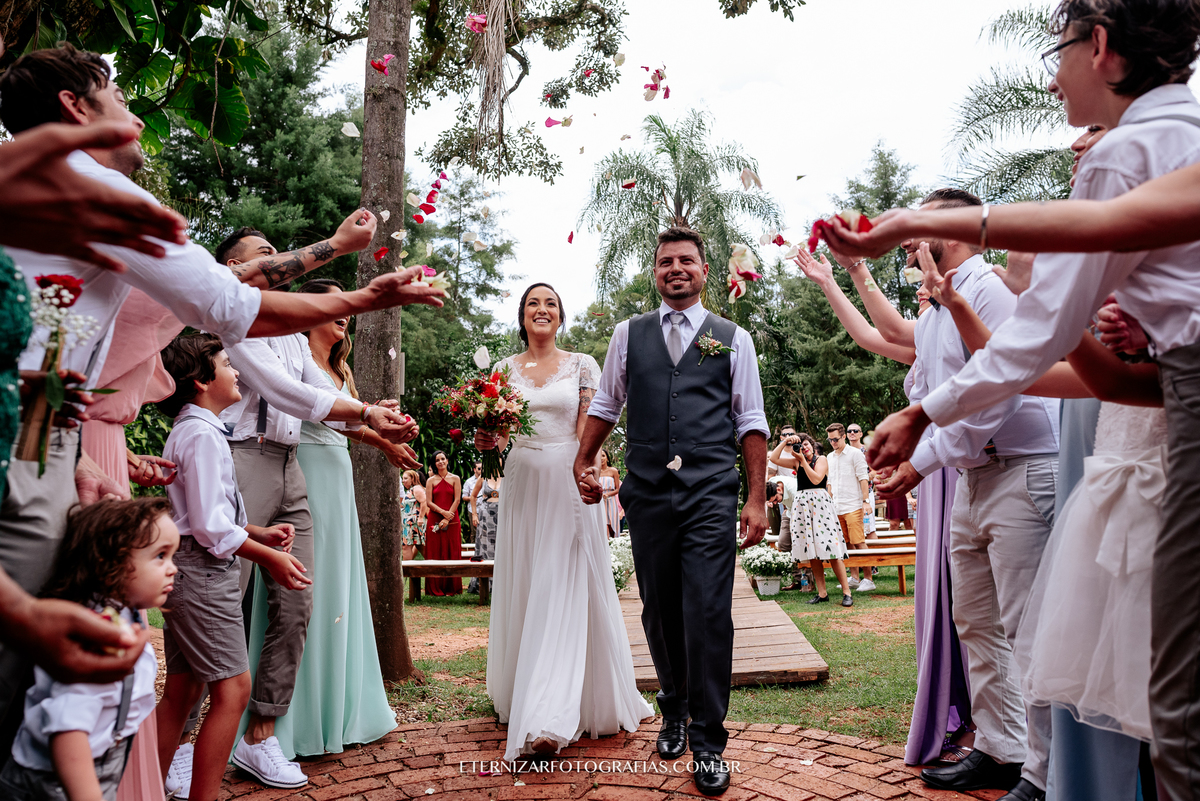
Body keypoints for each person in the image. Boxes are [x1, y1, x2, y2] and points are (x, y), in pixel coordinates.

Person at [0, 44, 444, 744]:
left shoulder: (36, 197)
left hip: (53, 444)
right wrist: (361, 293)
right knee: (34, 683)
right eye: (118, 95)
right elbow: (227, 301)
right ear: (74, 107)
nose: (137, 120)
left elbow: (212, 297)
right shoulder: (90, 185)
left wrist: (75, 457)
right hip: (24, 449)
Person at [850, 5, 1200, 795]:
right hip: (1154, 406)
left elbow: (1036, 332)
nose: (1050, 76)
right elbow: (1096, 370)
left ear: (1101, 46)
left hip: (1152, 442)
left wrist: (921, 416)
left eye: (1059, 51)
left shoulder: (1127, 150)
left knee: (1178, 708)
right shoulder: (1185, 135)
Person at [206, 231, 416, 791]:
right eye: (264, 253)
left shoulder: (295, 338)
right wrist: (366, 410)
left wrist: (376, 420)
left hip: (292, 464)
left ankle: (261, 737)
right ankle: (184, 743)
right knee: (225, 595)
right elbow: (282, 392)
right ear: (233, 266)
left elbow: (316, 400)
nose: (277, 260)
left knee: (298, 598)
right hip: (244, 457)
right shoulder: (234, 319)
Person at [575, 227, 769, 797]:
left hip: (710, 492)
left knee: (708, 611)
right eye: (666, 262)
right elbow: (608, 402)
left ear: (705, 271)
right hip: (649, 492)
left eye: (686, 260)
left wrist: (754, 499)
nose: (676, 269)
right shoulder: (627, 335)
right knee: (659, 611)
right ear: (654, 272)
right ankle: (674, 705)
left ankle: (709, 742)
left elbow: (750, 421)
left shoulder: (734, 338)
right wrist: (583, 459)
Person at [793, 246, 970, 767]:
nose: (918, 287)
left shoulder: (963, 320)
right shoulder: (929, 336)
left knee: (968, 595)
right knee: (944, 593)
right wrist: (832, 280)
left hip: (956, 464)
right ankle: (960, 708)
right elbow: (872, 335)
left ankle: (986, 715)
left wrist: (852, 271)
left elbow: (884, 329)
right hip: (931, 475)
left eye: (923, 278)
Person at [477, 281, 652, 762]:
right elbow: (491, 435)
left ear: (561, 316)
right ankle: (524, 689)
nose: (542, 309)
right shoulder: (502, 370)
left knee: (563, 582)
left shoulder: (581, 364)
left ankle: (552, 714)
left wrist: (588, 470)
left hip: (567, 479)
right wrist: (484, 437)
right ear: (521, 316)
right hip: (521, 481)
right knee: (530, 580)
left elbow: (588, 424)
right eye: (533, 302)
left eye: (550, 302)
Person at [236, 278, 398, 762]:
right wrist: (371, 419)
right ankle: (212, 731)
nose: (339, 312)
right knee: (267, 590)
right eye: (329, 303)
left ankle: (328, 708)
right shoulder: (263, 337)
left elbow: (341, 417)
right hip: (293, 464)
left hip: (322, 472)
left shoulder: (324, 363)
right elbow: (299, 400)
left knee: (317, 594)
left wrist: (383, 433)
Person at [152, 334, 311, 801]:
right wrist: (270, 558)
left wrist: (257, 532)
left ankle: (143, 786)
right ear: (201, 381)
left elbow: (208, 515)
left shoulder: (198, 428)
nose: (236, 371)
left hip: (190, 568)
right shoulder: (201, 434)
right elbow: (208, 529)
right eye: (226, 363)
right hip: (203, 576)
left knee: (182, 692)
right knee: (233, 691)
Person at [0, 498, 176, 801]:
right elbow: (68, 731)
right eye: (160, 556)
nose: (173, 568)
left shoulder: (125, 614)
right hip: (50, 784)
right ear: (111, 562)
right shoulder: (97, 638)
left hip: (97, 763)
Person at [770, 433, 852, 607]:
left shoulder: (820, 459)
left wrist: (803, 460)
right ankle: (822, 594)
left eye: (806, 444)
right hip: (802, 508)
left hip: (820, 506)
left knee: (833, 551)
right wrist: (785, 442)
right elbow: (774, 458)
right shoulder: (796, 461)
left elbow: (816, 478)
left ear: (812, 446)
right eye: (801, 446)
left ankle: (847, 592)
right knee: (812, 552)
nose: (804, 448)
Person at [824, 423, 874, 591]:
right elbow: (829, 481)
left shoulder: (856, 454)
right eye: (830, 440)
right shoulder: (829, 457)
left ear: (844, 436)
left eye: (836, 439)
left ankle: (868, 579)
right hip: (837, 506)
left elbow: (863, 478)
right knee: (846, 544)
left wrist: (865, 501)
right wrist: (828, 501)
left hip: (853, 505)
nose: (833, 443)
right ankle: (854, 577)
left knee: (859, 541)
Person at [424, 452, 463, 597]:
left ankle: (452, 588)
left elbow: (457, 499)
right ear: (434, 463)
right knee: (435, 551)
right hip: (435, 517)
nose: (440, 462)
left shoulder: (455, 478)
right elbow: (428, 502)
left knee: (451, 549)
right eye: (437, 460)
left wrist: (447, 517)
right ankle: (435, 588)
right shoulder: (430, 481)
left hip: (452, 519)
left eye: (442, 459)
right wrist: (442, 513)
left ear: (447, 460)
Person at [468, 475, 501, 594]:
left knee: (502, 546)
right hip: (486, 513)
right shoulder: (483, 477)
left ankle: (501, 582)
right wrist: (474, 514)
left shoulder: (507, 475)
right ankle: (485, 583)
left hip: (502, 512)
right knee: (486, 546)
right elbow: (473, 496)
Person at [401, 470, 427, 562]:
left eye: (406, 478)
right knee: (406, 547)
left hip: (415, 523)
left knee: (422, 548)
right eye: (402, 478)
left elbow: (424, 502)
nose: (403, 481)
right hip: (408, 525)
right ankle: (409, 573)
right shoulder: (409, 490)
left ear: (412, 479)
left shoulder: (416, 488)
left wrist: (420, 517)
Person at [598, 449, 622, 537]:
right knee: (602, 524)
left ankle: (614, 542)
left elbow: (617, 489)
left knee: (612, 524)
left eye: (603, 455)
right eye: (599, 456)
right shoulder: (595, 472)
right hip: (599, 501)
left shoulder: (613, 471)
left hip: (611, 501)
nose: (601, 458)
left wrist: (608, 494)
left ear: (607, 458)